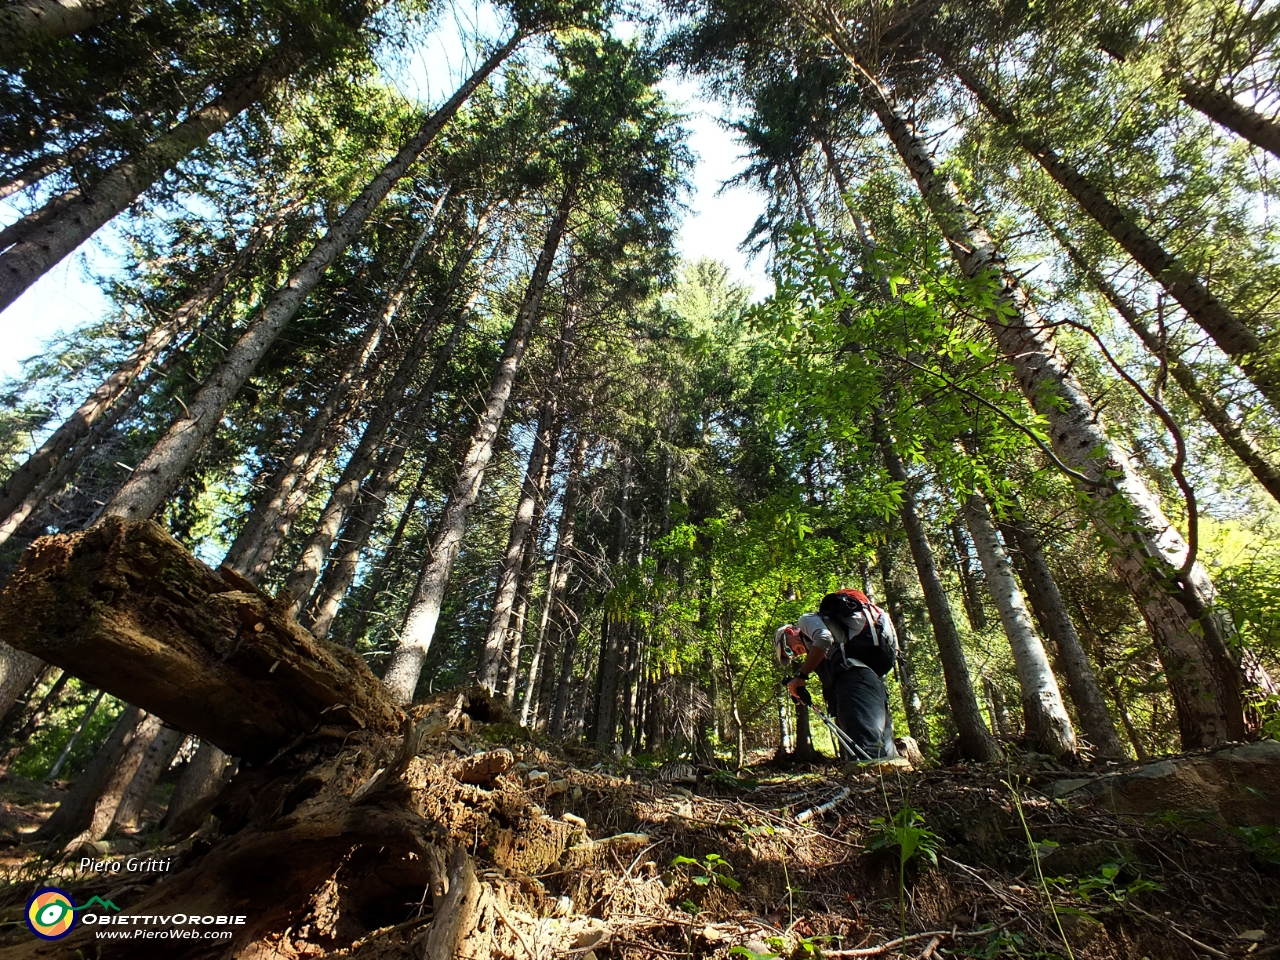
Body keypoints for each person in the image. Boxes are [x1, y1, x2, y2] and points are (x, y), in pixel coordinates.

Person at [777, 589, 897, 760]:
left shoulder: (805, 621)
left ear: (789, 632)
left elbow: (825, 639)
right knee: (881, 743)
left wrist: (802, 676)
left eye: (788, 649)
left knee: (866, 745)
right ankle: (892, 779)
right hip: (870, 675)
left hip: (856, 679)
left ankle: (875, 778)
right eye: (791, 656)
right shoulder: (823, 652)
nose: (794, 654)